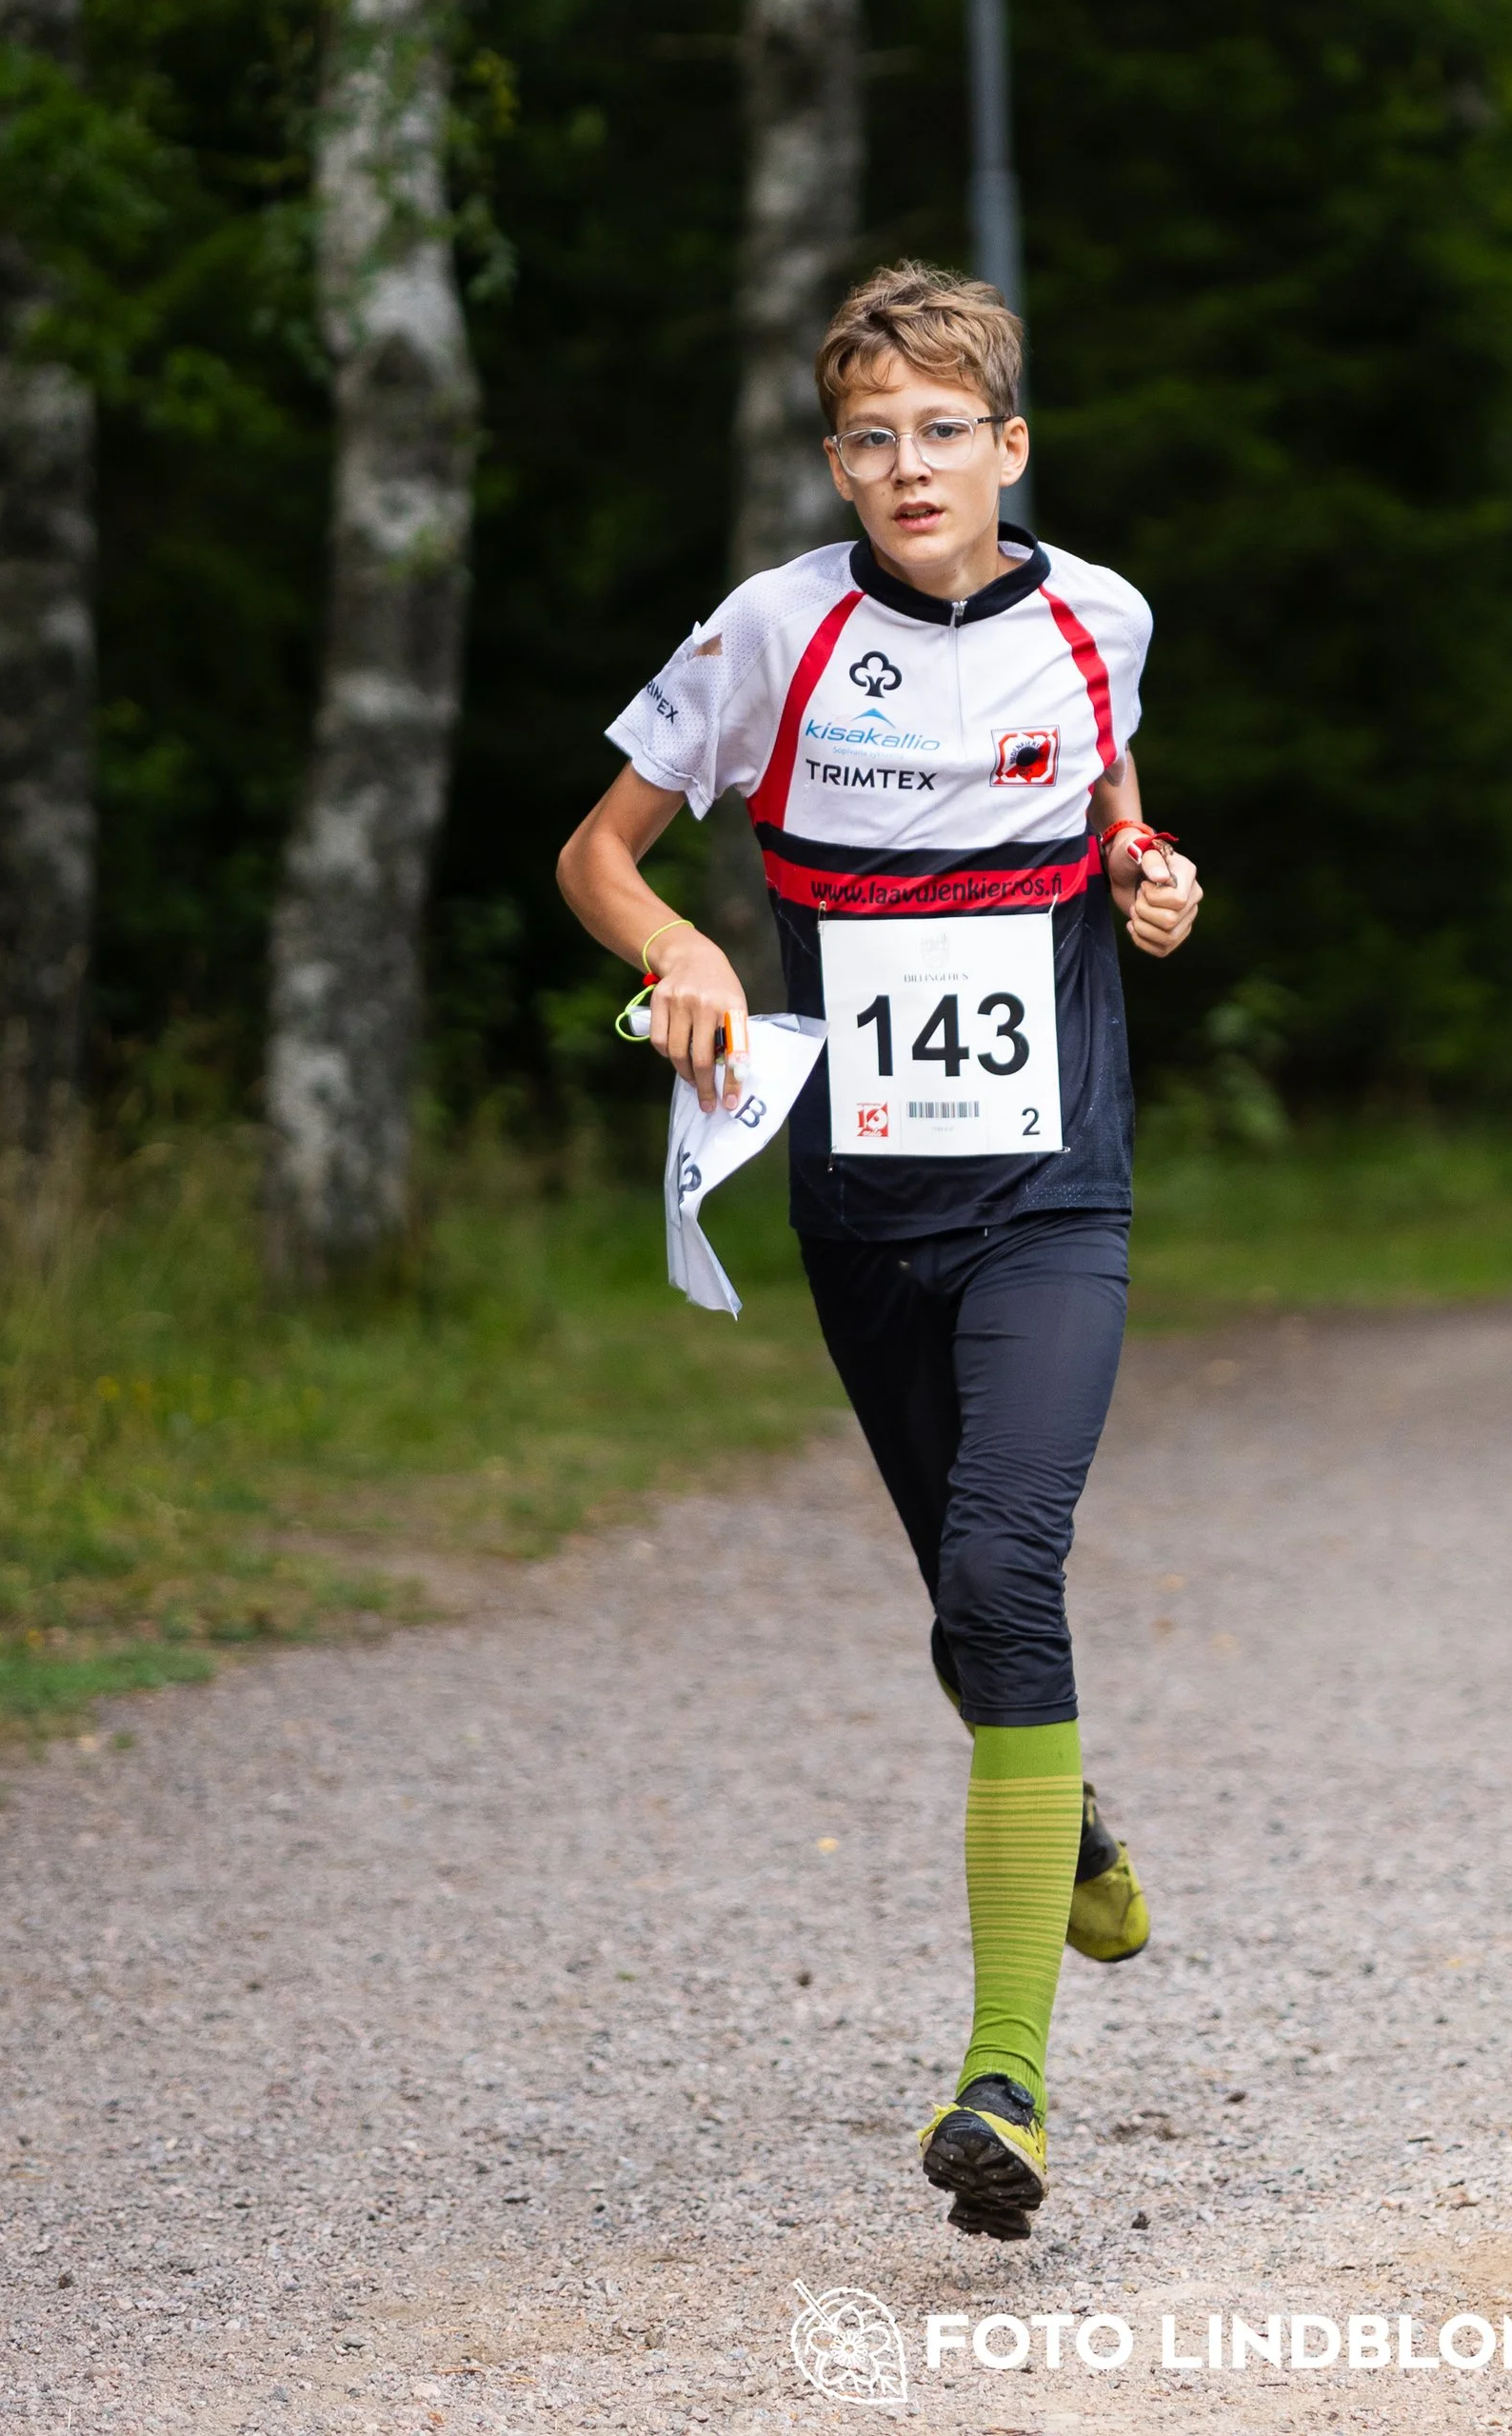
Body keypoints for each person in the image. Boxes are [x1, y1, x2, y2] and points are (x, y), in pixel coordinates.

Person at [556, 263, 1202, 2241]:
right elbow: (596, 854)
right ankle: (1065, 1827)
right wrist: (679, 951)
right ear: (836, 465)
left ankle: (1003, 2078)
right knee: (962, 1608)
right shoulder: (771, 632)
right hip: (859, 1202)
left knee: (1007, 1564)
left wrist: (1145, 870)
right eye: (868, 437)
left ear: (1008, 446)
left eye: (941, 430)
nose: (907, 466)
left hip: (1053, 1190)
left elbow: (1108, 799)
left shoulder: (1101, 617)